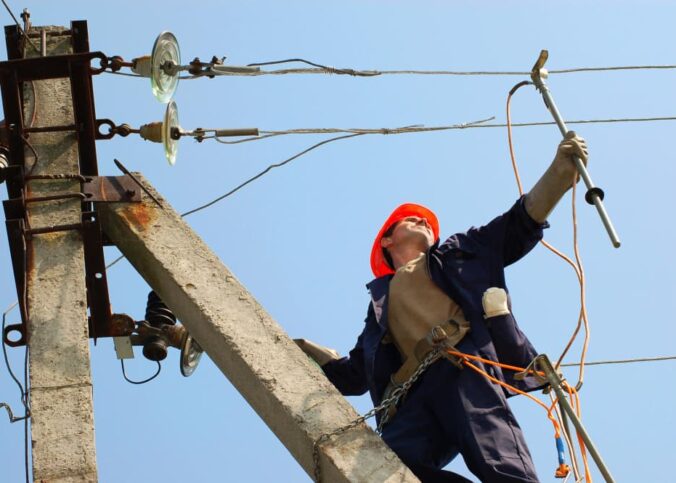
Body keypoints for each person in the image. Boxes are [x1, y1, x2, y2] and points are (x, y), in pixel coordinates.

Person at [296, 132, 588, 483]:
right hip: (411, 398)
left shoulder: (457, 253)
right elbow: (356, 373)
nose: (423, 222)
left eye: (429, 223)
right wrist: (301, 352)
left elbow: (517, 224)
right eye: (410, 219)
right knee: (386, 469)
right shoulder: (380, 303)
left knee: (500, 466)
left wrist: (558, 173)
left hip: (464, 366)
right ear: (387, 240)